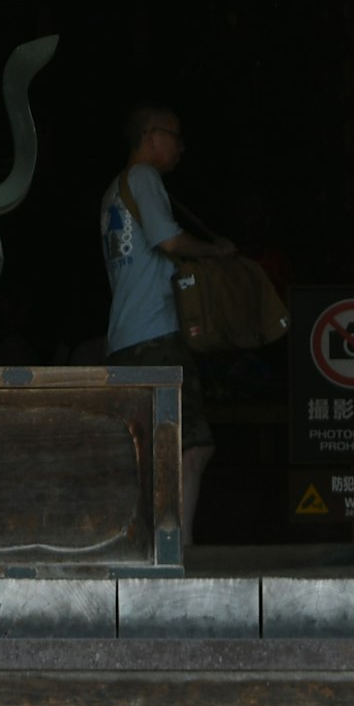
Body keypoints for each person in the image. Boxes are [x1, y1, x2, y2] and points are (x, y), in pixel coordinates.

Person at [100, 102, 222, 519]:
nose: (181, 147)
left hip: (123, 339)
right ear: (151, 136)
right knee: (192, 444)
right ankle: (179, 546)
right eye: (175, 136)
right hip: (157, 336)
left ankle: (148, 543)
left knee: (146, 446)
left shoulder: (115, 190)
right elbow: (169, 242)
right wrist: (216, 252)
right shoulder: (144, 177)